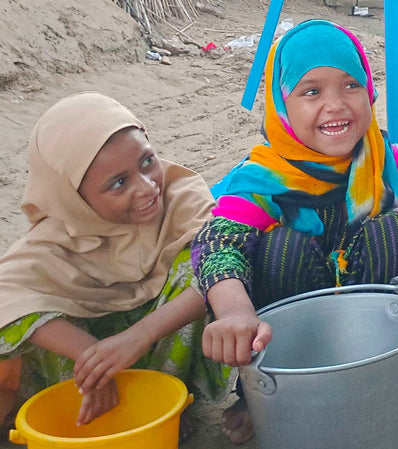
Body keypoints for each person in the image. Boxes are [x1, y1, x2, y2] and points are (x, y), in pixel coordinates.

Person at [192, 19, 398, 442]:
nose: (336, 104)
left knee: (394, 234)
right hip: (292, 356)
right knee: (279, 248)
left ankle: (387, 400)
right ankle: (269, 400)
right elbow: (217, 244)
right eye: (311, 91)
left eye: (350, 85)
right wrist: (233, 313)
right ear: (282, 103)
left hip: (382, 357)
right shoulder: (261, 179)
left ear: (369, 92)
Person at [0, 93, 229, 431]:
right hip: (89, 386)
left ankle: (168, 404)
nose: (147, 187)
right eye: (119, 183)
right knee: (18, 316)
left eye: (148, 161)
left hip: (159, 347)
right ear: (73, 197)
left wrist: (139, 336)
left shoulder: (180, 193)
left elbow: (223, 261)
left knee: (214, 264)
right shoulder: (53, 239)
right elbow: (7, 297)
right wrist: (94, 359)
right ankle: (97, 413)